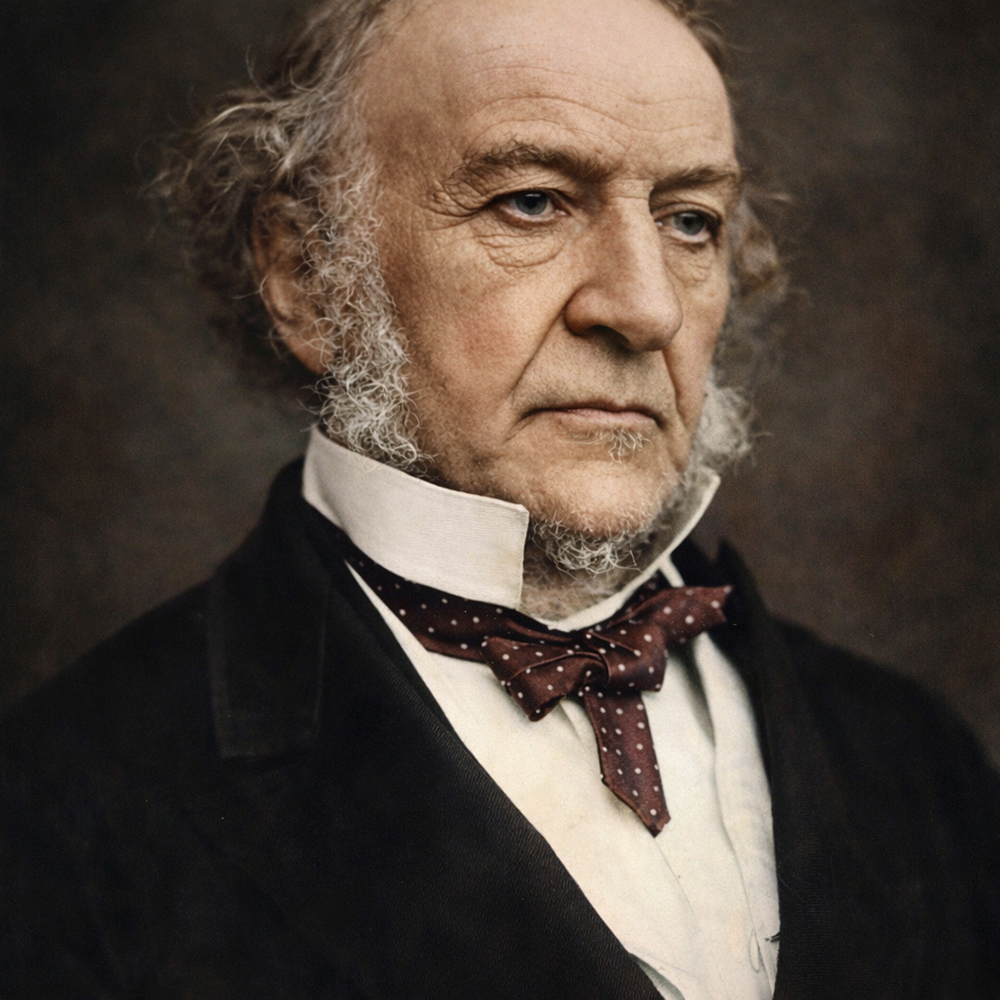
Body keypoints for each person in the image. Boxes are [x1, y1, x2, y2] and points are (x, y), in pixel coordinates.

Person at [1, 0, 998, 997]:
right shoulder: (62, 809)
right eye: (531, 202)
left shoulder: (919, 760)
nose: (644, 306)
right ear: (305, 276)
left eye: (690, 220)